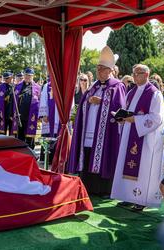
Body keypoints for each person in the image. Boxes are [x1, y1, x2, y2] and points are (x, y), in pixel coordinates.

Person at [67, 46, 126, 196]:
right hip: (89, 129)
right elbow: (83, 104)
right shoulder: (93, 86)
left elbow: (120, 108)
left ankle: (103, 189)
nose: (98, 72)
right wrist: (89, 101)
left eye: (101, 69)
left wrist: (102, 102)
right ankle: (88, 186)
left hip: (105, 133)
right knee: (87, 154)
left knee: (103, 156)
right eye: (97, 69)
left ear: (109, 70)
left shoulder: (117, 86)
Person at [111, 64, 164, 211]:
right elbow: (128, 112)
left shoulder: (154, 94)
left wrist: (135, 120)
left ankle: (141, 199)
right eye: (133, 73)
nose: (134, 76)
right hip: (129, 134)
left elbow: (156, 118)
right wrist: (122, 118)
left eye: (138, 73)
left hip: (145, 139)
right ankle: (128, 197)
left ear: (146, 75)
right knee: (126, 165)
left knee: (143, 169)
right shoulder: (131, 92)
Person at [12, 68, 41, 149]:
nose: (28, 77)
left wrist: (39, 115)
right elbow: (13, 101)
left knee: (30, 137)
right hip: (20, 115)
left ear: (33, 76)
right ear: (23, 75)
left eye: (30, 76)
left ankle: (31, 152)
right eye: (26, 75)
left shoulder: (37, 88)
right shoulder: (17, 87)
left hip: (31, 115)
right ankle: (20, 153)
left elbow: (40, 102)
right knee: (20, 137)